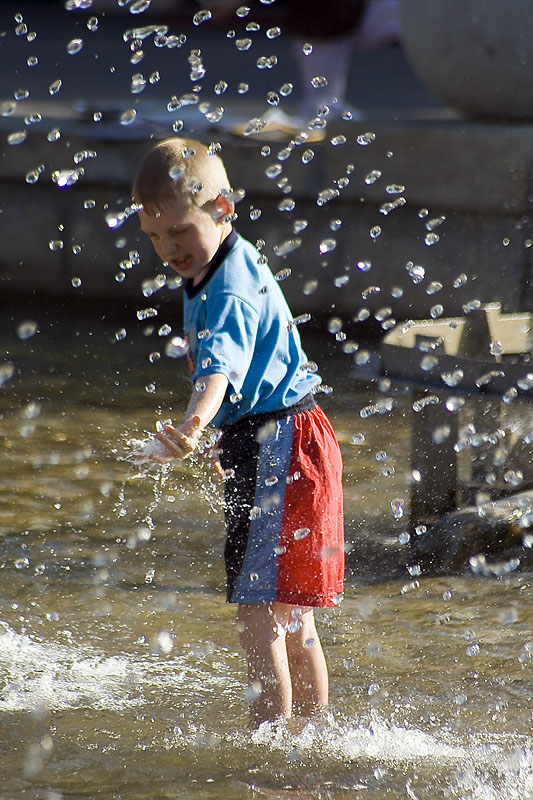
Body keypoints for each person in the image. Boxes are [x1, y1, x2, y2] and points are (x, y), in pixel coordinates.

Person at [132, 137, 344, 726]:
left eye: (179, 231)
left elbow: (219, 369)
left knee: (259, 613)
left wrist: (195, 424)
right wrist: (226, 436)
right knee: (290, 612)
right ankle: (313, 737)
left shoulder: (226, 285)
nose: (168, 248)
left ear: (223, 208)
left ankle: (268, 747)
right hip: (291, 437)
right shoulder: (221, 263)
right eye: (154, 236)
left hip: (281, 443)